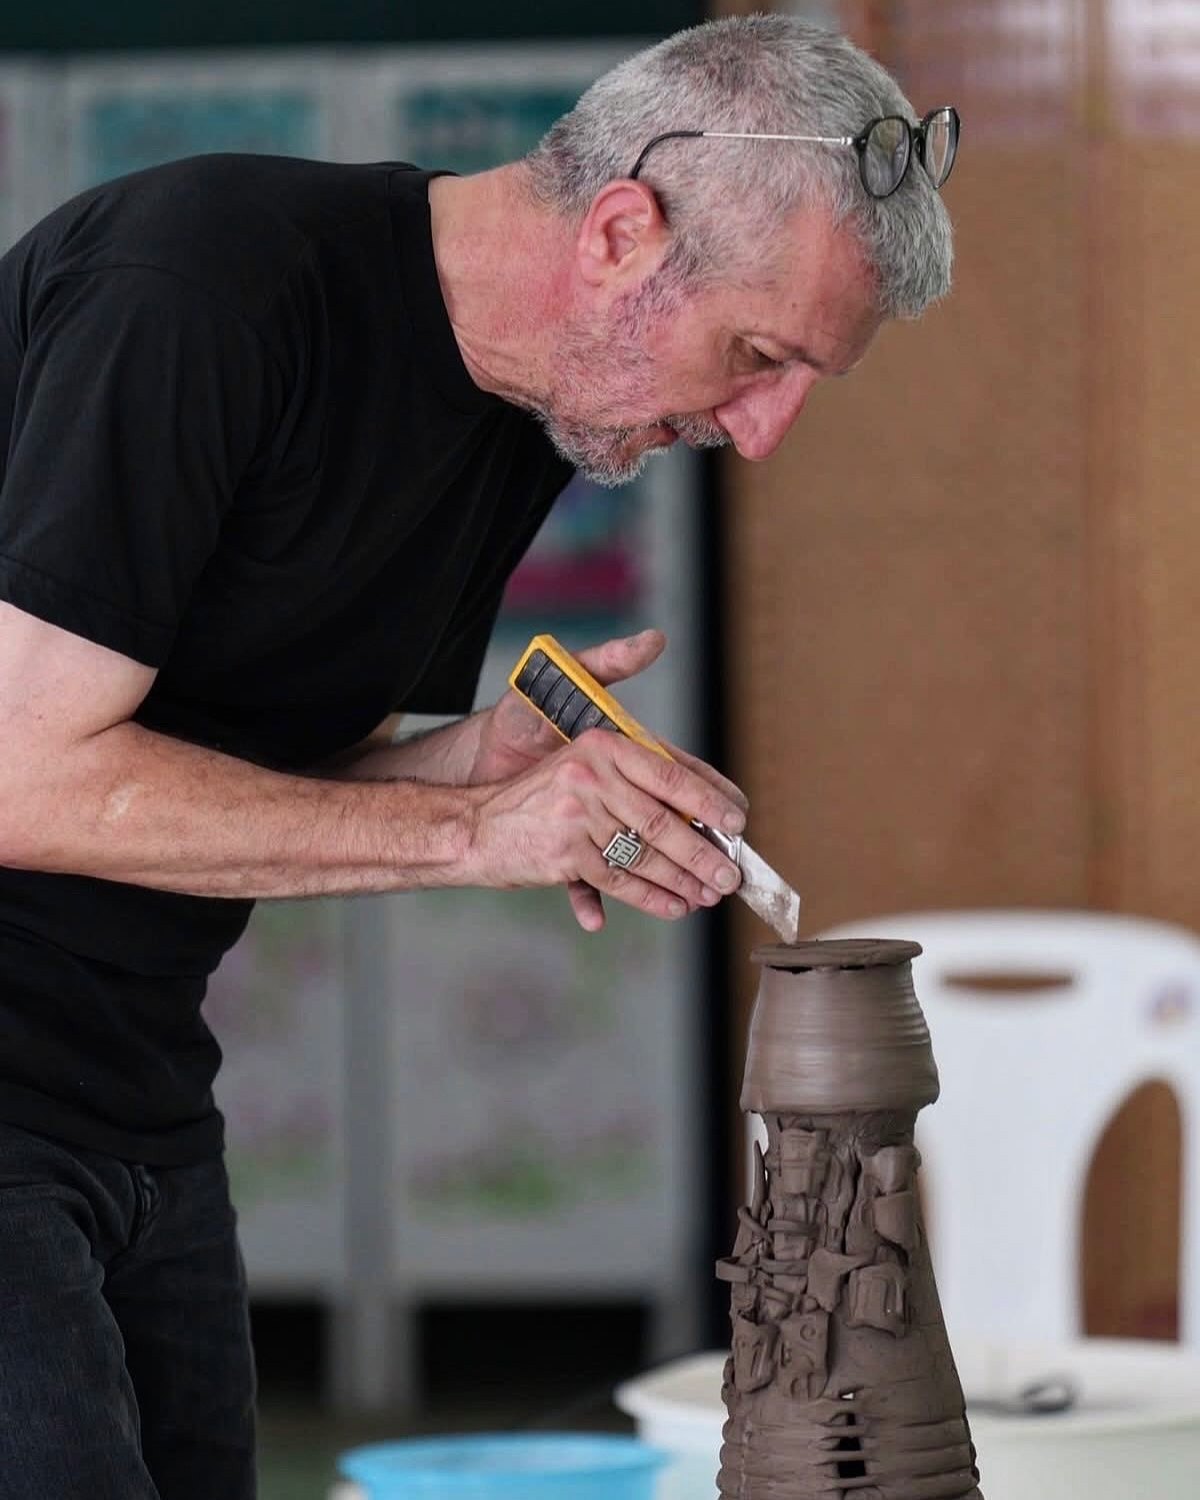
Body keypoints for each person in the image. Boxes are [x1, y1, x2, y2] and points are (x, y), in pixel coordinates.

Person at [0, 14, 954, 1499]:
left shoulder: (520, 417)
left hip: (132, 1086)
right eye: (761, 355)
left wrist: (479, 777)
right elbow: (21, 775)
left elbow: (246, 791)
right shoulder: (201, 287)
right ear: (624, 233)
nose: (763, 431)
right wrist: (469, 835)